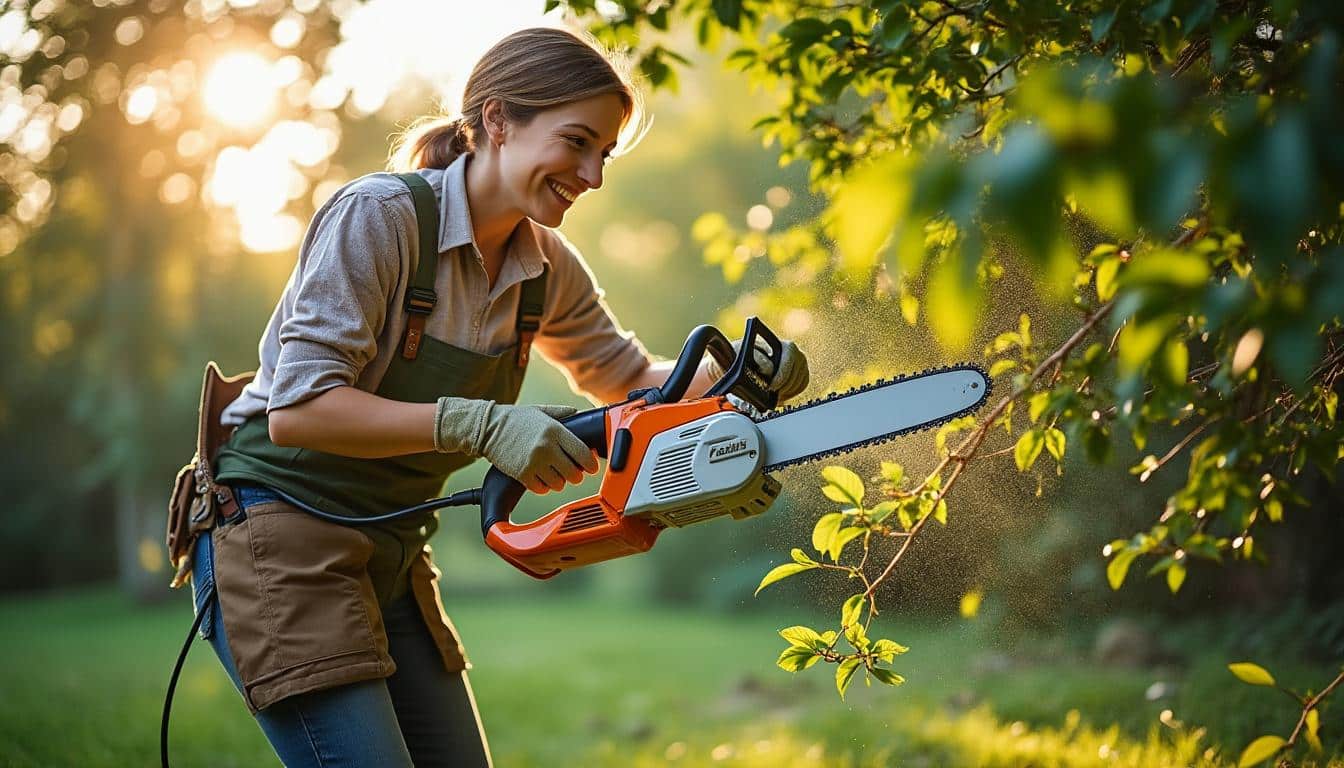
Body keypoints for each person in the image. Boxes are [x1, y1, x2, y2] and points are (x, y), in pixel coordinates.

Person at [190, 27, 810, 767]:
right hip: (278, 529)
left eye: (604, 154)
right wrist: (480, 424)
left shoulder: (547, 264)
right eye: (576, 142)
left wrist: (734, 386)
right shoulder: (381, 217)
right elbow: (299, 411)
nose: (593, 175)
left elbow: (626, 375)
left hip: (392, 544)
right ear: (497, 121)